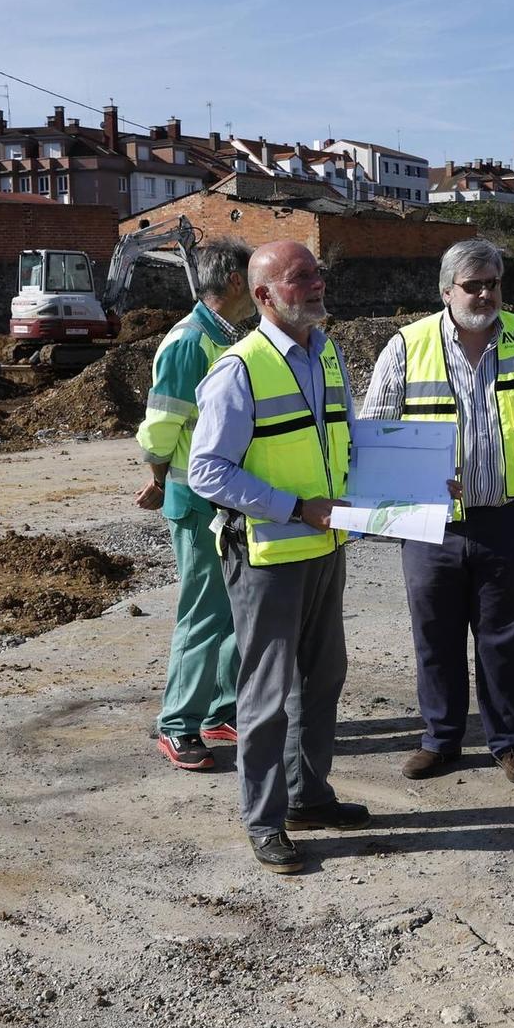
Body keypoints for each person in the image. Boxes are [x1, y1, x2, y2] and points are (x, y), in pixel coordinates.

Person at [361, 238, 514, 788]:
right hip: (430, 524)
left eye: (493, 283)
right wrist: (406, 490)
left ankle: (508, 742)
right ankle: (440, 739)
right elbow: (377, 432)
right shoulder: (406, 346)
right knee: (435, 637)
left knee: (504, 639)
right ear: (446, 291)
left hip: (508, 518)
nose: (485, 294)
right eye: (472, 285)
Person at [188, 240, 367, 874]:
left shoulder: (327, 353)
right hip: (268, 556)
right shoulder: (240, 369)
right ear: (264, 295)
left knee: (323, 679)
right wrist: (294, 507)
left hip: (325, 547)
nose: (317, 283)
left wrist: (419, 486)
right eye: (301, 277)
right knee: (266, 694)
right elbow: (207, 471)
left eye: (318, 272)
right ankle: (265, 821)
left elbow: (348, 444)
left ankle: (307, 797)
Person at [134, 240, 255, 772]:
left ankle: (220, 712)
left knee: (230, 610)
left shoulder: (223, 337)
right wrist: (158, 478)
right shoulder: (189, 343)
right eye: (254, 278)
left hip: (222, 499)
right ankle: (178, 724)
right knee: (204, 613)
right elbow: (161, 426)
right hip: (198, 501)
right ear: (235, 281)